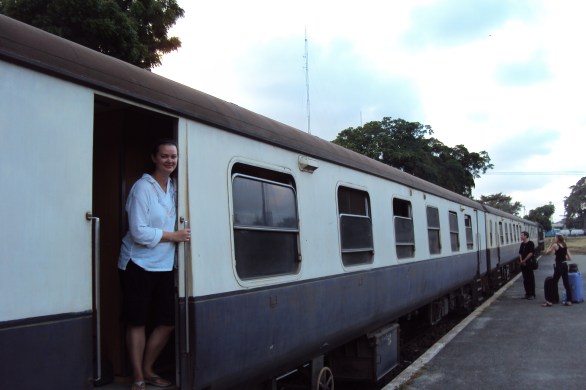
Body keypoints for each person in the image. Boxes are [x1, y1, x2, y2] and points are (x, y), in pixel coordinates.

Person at [118, 139, 190, 390]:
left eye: (174, 156)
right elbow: (138, 232)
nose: (170, 160)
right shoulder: (142, 188)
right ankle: (138, 376)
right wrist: (173, 236)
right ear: (154, 158)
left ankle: (148, 369)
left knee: (167, 321)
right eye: (164, 156)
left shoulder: (174, 187)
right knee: (136, 321)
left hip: (163, 264)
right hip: (137, 264)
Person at [542, 234, 573, 307]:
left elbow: (547, 252)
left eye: (555, 238)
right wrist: (563, 257)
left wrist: (550, 244)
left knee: (553, 282)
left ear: (558, 239)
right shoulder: (564, 245)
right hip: (565, 265)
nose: (554, 239)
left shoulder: (555, 245)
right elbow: (570, 258)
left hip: (559, 266)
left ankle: (549, 301)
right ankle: (569, 301)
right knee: (566, 283)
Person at [518, 231, 536, 300]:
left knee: (530, 279)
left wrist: (524, 260)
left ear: (526, 236)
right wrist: (521, 261)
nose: (521, 236)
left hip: (529, 263)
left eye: (522, 235)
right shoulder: (522, 244)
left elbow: (531, 253)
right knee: (525, 279)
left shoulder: (531, 243)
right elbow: (520, 253)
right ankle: (527, 293)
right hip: (523, 264)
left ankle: (532, 294)